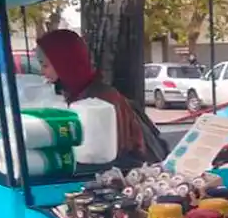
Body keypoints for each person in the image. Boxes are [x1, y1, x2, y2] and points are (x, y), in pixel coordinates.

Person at [36, 29, 148, 166]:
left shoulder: (106, 99)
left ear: (65, 63)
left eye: (45, 65)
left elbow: (113, 152)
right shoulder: (64, 95)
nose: (42, 72)